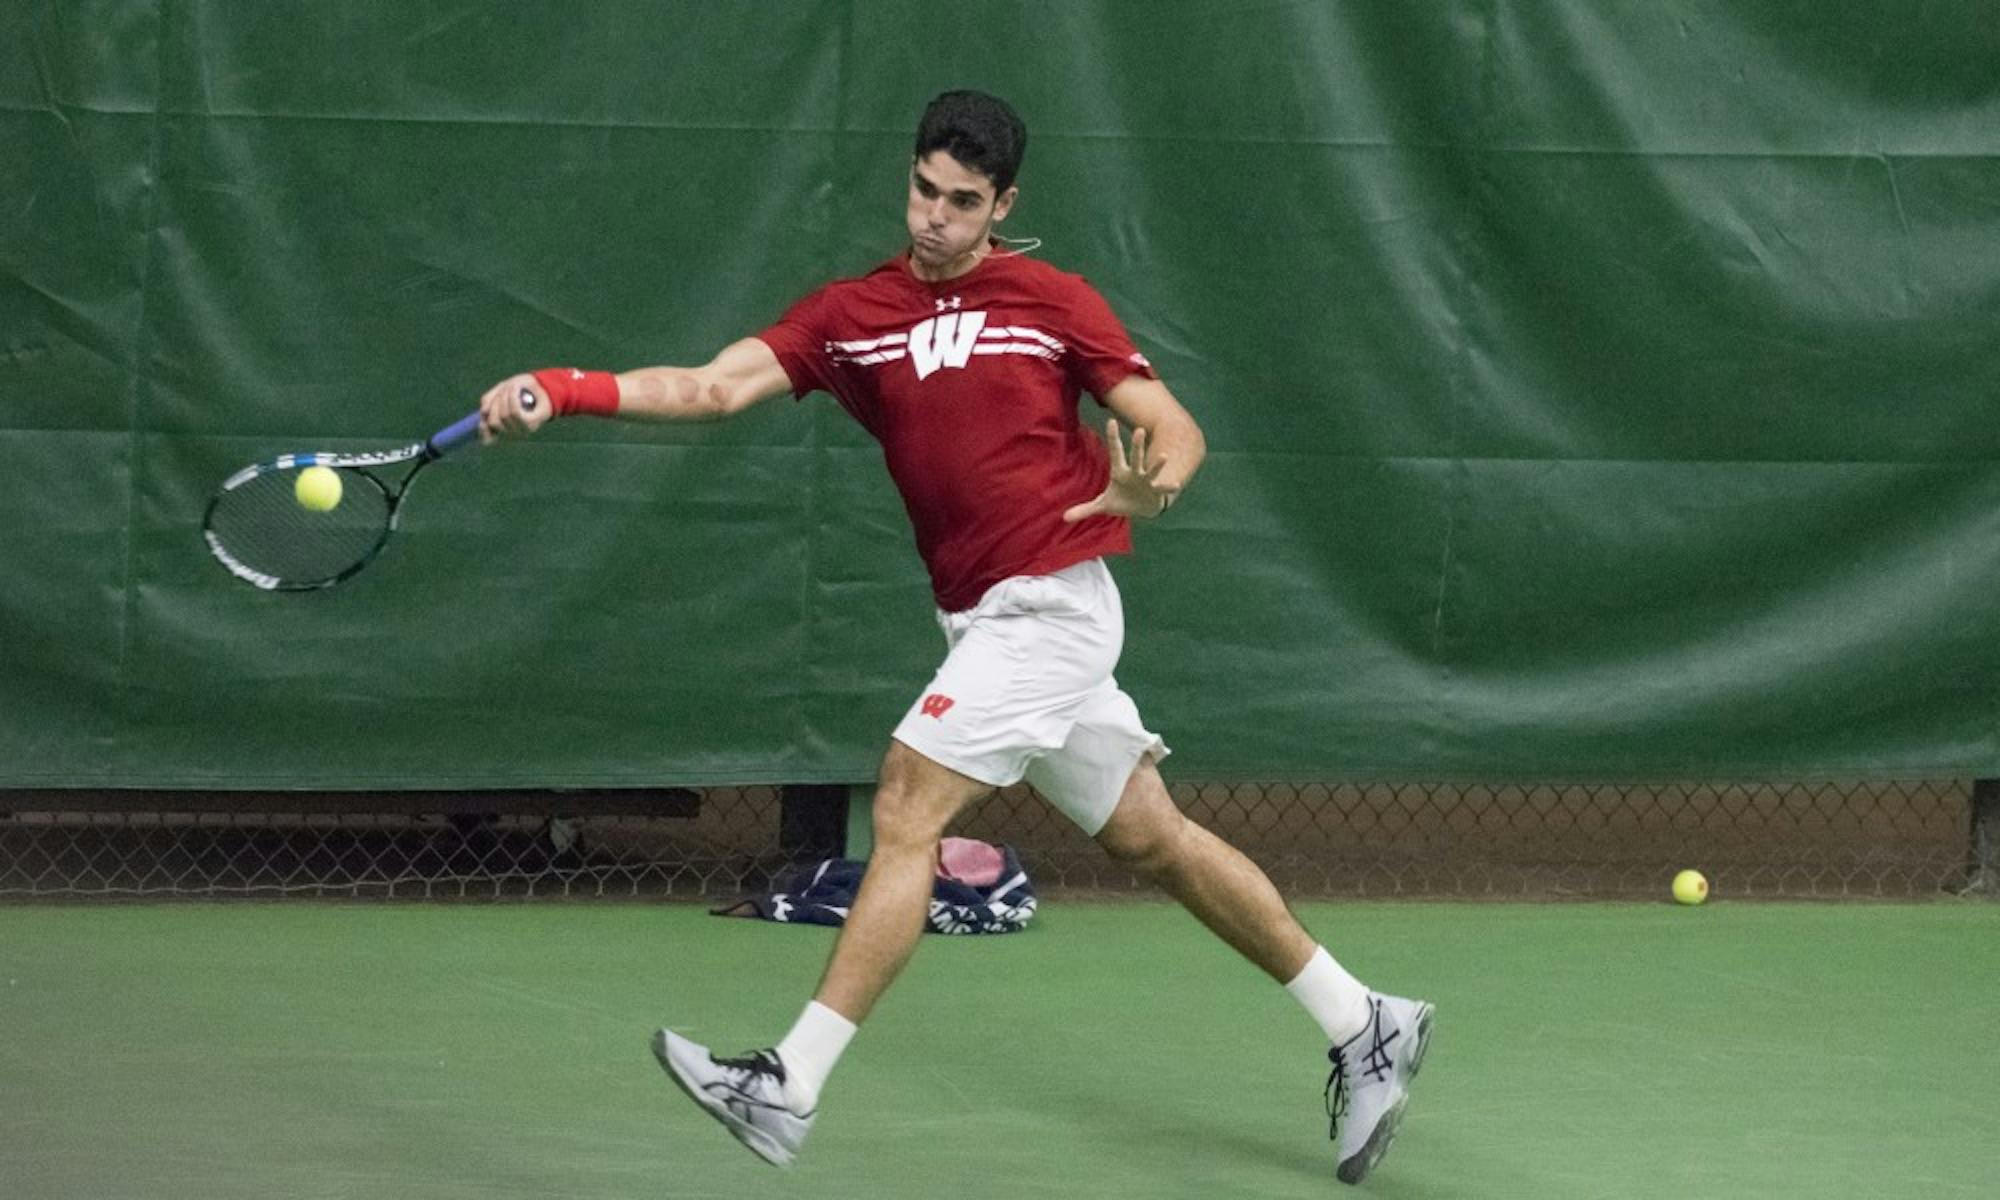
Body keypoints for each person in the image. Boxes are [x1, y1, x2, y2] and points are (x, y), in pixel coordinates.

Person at [476, 90, 1433, 1185]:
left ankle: (785, 1085)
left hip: (1050, 604)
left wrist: (1149, 487)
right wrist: (565, 388)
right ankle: (1364, 1021)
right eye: (923, 191)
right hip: (984, 614)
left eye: (961, 202)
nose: (934, 217)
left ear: (1002, 204)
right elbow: (708, 387)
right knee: (1149, 837)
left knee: (904, 805)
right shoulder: (851, 314)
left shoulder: (1049, 302)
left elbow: (1172, 429)